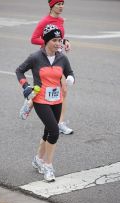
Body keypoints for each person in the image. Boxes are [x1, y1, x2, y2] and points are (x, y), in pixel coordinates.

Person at [16, 25, 75, 182]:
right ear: (46, 40)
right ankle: (48, 166)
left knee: (47, 132)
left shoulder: (62, 58)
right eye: (54, 40)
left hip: (56, 99)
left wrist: (70, 79)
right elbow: (19, 70)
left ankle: (38, 159)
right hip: (40, 98)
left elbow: (69, 72)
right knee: (54, 131)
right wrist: (25, 85)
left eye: (59, 40)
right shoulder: (35, 57)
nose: (58, 44)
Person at [19, 0, 73, 135]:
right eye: (58, 4)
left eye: (62, 4)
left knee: (64, 90)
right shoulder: (44, 21)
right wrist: (49, 42)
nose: (61, 7)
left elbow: (60, 37)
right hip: (46, 57)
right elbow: (33, 39)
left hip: (58, 57)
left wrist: (64, 42)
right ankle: (31, 102)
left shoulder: (61, 20)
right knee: (44, 89)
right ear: (51, 5)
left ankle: (59, 123)